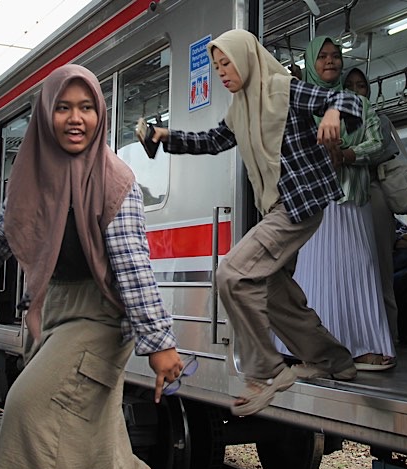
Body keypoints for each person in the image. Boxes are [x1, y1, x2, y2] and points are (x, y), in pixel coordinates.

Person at [0, 64, 180, 469]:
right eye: (63, 108)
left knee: (28, 405)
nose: (75, 118)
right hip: (53, 304)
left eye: (86, 108)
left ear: (101, 115)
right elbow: (4, 235)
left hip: (102, 313)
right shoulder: (34, 176)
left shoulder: (114, 180)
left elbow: (133, 267)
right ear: (46, 115)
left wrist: (159, 343)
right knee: (87, 426)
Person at [151, 29, 362, 416]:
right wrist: (167, 135)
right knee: (272, 290)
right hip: (277, 208)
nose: (222, 72)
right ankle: (336, 361)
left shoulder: (285, 89)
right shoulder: (240, 108)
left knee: (232, 274)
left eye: (227, 62)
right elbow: (213, 140)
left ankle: (264, 371)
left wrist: (333, 112)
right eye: (216, 67)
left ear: (247, 57)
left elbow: (346, 98)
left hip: (297, 204)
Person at [273, 38, 395, 371]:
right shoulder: (299, 105)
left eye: (336, 56)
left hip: (354, 202)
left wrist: (347, 154)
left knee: (360, 268)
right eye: (323, 56)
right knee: (315, 274)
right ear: (312, 62)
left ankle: (363, 345)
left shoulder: (359, 103)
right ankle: (308, 347)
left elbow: (377, 141)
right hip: (317, 203)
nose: (331, 62)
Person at [345, 66, 402, 348]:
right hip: (348, 199)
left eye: (362, 85)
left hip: (373, 194)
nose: (357, 91)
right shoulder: (336, 119)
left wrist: (348, 153)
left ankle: (389, 336)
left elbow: (376, 151)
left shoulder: (377, 119)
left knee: (380, 267)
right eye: (351, 86)